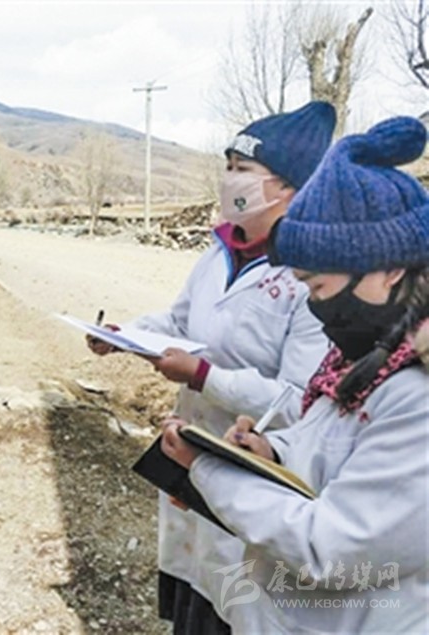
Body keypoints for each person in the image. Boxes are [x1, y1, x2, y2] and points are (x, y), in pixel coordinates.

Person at [162, 115, 429, 633]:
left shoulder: (415, 395)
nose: (314, 305)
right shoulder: (364, 358)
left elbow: (330, 548)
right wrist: (271, 453)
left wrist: (209, 472)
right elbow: (332, 450)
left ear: (390, 270)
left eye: (319, 288)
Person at [88, 101, 336, 632]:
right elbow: (180, 322)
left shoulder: (311, 277)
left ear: (288, 187)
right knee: (192, 591)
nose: (229, 179)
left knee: (233, 604)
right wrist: (126, 335)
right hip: (191, 453)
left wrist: (203, 376)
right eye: (228, 166)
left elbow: (302, 402)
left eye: (243, 169)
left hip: (252, 471)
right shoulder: (219, 251)